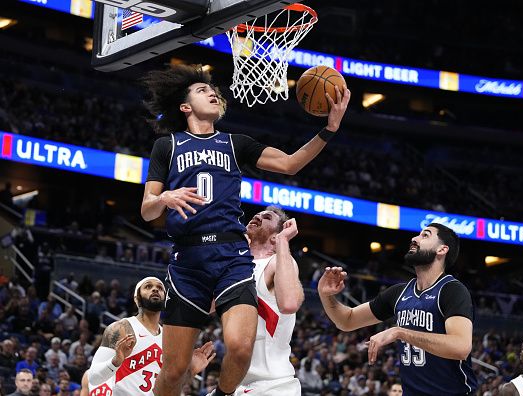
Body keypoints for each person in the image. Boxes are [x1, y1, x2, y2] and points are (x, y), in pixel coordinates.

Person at [139, 64, 350, 396]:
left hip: (231, 256)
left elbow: (289, 163)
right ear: (184, 106)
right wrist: (163, 197)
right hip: (188, 261)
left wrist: (330, 128)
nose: (211, 92)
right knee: (175, 369)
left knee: (239, 347)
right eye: (200, 90)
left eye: (212, 90)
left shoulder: (235, 143)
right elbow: (146, 210)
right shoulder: (168, 146)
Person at [318, 223, 478, 395]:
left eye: (425, 235)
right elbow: (346, 320)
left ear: (442, 250)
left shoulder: (451, 290)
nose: (414, 239)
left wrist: (400, 332)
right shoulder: (399, 293)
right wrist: (326, 295)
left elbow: (461, 347)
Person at [88, 276, 216, 394]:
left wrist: (191, 371)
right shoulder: (121, 328)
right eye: (148, 287)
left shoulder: (169, 338)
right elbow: (93, 378)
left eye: (160, 288)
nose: (155, 289)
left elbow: (171, 386)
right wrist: (115, 361)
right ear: (136, 298)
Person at [234, 207, 303, 395]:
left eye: (267, 217)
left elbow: (289, 303)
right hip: (237, 382)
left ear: (275, 237)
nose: (257, 216)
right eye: (257, 214)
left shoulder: (276, 262)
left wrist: (283, 241)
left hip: (273, 384)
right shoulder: (235, 266)